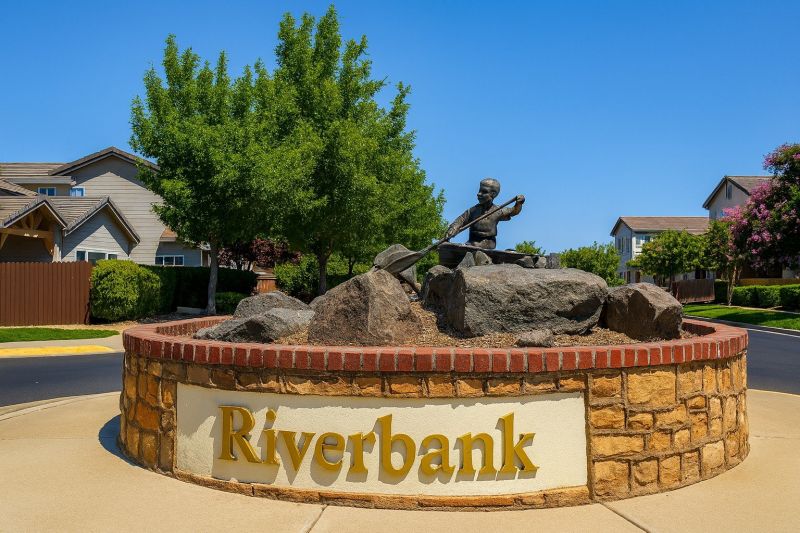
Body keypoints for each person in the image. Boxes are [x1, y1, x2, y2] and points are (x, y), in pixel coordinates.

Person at [445, 178, 525, 249]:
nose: (479, 194)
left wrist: (519, 204)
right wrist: (452, 229)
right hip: (471, 242)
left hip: (488, 243)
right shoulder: (473, 210)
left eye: (484, 192)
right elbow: (460, 220)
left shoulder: (498, 210)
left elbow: (514, 211)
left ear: (493, 194)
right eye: (479, 191)